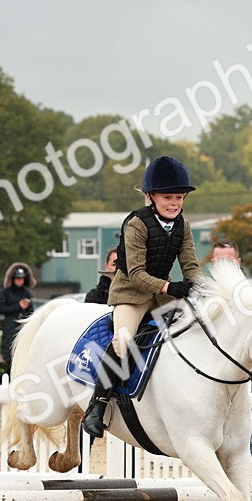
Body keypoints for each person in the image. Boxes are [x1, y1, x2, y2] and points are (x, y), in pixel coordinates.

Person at [82, 155, 203, 437]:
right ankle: (97, 405)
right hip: (131, 292)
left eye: (179, 197)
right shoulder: (136, 223)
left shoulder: (183, 225)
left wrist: (203, 289)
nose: (174, 203)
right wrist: (170, 288)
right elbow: (135, 273)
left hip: (161, 294)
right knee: (123, 341)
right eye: (168, 197)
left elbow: (190, 265)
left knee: (194, 327)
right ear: (151, 197)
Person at [0, 262, 37, 364]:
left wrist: (27, 307)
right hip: (9, 327)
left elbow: (31, 312)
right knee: (9, 355)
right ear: (13, 279)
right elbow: (0, 309)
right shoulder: (5, 292)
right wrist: (18, 306)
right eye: (18, 279)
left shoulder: (26, 293)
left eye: (22, 279)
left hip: (22, 328)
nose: (20, 281)